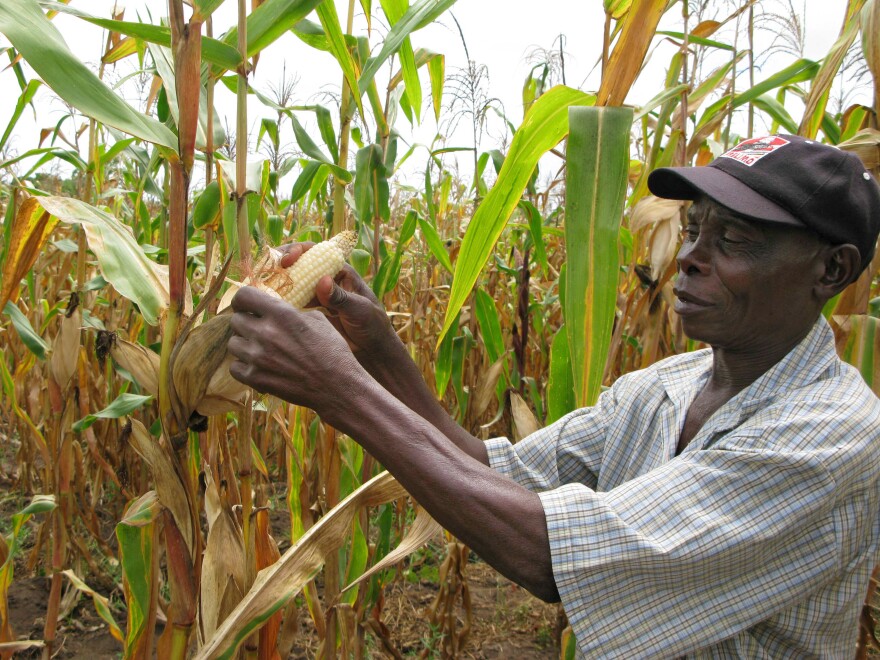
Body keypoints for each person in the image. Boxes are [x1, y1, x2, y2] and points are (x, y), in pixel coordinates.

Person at [227, 134, 880, 657]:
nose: (690, 257)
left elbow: (547, 554)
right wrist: (374, 351)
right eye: (694, 229)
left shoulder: (831, 435)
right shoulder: (661, 388)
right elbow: (491, 473)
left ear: (832, 270)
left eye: (734, 240)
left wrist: (340, 392)